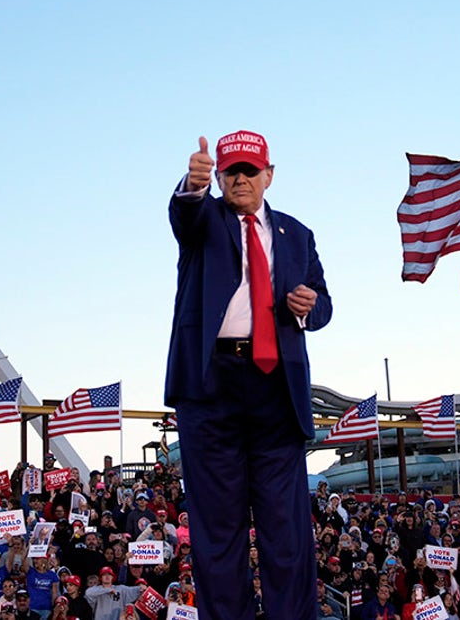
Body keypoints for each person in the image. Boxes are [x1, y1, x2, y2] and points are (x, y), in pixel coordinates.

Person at [165, 130, 333, 620]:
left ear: (269, 176)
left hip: (276, 387)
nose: (240, 177)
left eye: (249, 170)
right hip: (210, 385)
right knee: (217, 528)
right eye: (230, 170)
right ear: (218, 176)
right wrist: (191, 185)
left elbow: (322, 305)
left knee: (287, 528)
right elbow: (183, 214)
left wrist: (309, 306)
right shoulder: (204, 219)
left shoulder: (298, 235)